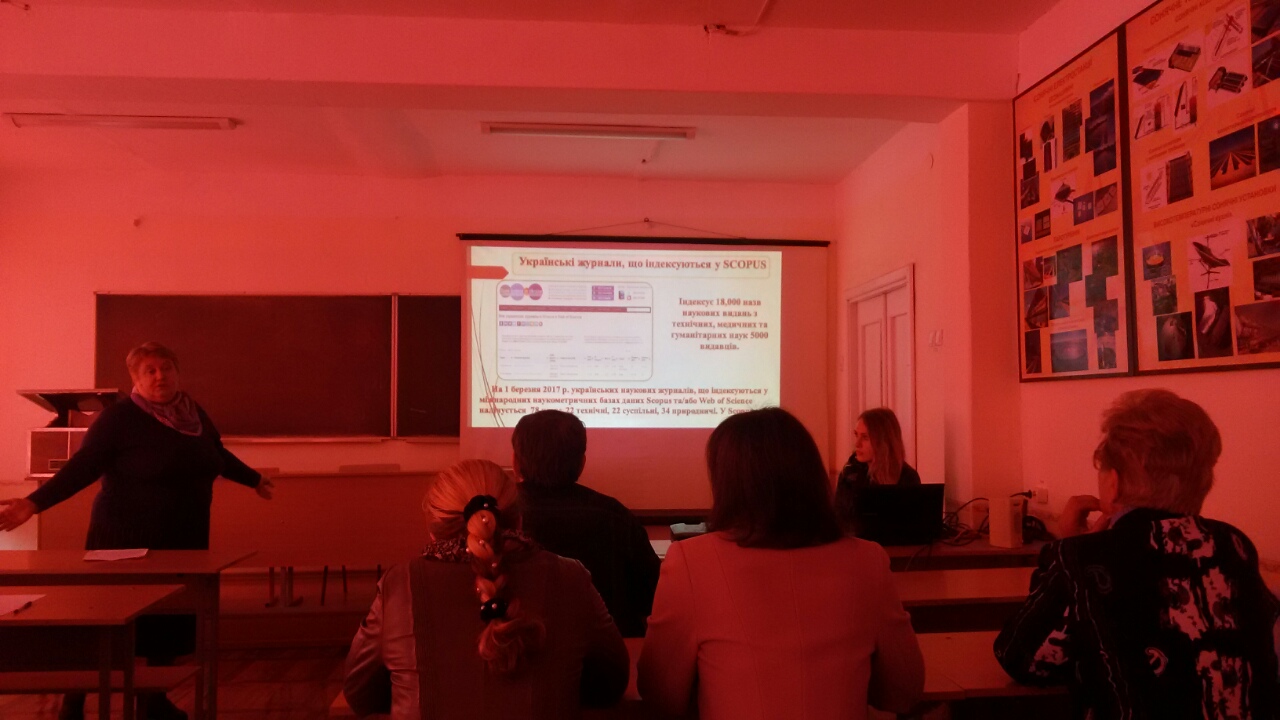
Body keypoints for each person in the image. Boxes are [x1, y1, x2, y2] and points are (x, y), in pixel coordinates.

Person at [0, 341, 274, 720]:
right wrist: (34, 503)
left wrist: (253, 479)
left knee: (167, 623)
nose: (160, 376)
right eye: (150, 370)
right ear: (136, 377)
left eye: (166, 368)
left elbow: (216, 454)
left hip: (184, 540)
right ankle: (73, 702)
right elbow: (82, 467)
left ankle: (151, 700)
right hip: (124, 542)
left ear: (177, 372)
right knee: (106, 623)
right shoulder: (119, 419)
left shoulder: (193, 413)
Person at [994, 389, 1279, 719]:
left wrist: (1065, 552)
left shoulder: (1085, 557)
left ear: (1113, 483)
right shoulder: (1233, 545)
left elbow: (1020, 657)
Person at [638, 407, 924, 720]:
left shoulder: (690, 562)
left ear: (726, 483)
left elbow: (662, 696)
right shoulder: (868, 561)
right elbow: (903, 692)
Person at [344, 459, 629, 720]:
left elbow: (360, 695)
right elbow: (611, 685)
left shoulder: (398, 585)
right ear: (519, 521)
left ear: (433, 530)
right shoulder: (571, 577)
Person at [512, 410, 660, 637]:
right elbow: (652, 598)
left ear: (515, 463)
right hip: (606, 652)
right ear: (581, 463)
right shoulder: (615, 516)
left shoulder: (495, 518)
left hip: (516, 648)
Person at [834, 407, 921, 532]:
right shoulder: (850, 473)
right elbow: (839, 520)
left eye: (865, 437)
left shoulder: (907, 477)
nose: (857, 444)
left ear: (883, 441)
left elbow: (911, 527)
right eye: (856, 435)